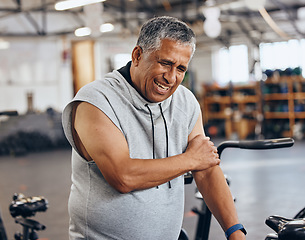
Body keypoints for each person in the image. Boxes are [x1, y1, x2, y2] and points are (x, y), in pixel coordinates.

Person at [62, 16, 246, 240]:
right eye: (165, 63)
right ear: (137, 55)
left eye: (180, 69)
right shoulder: (96, 101)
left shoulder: (185, 102)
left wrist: (235, 231)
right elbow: (123, 177)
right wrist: (191, 159)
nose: (171, 78)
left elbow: (206, 169)